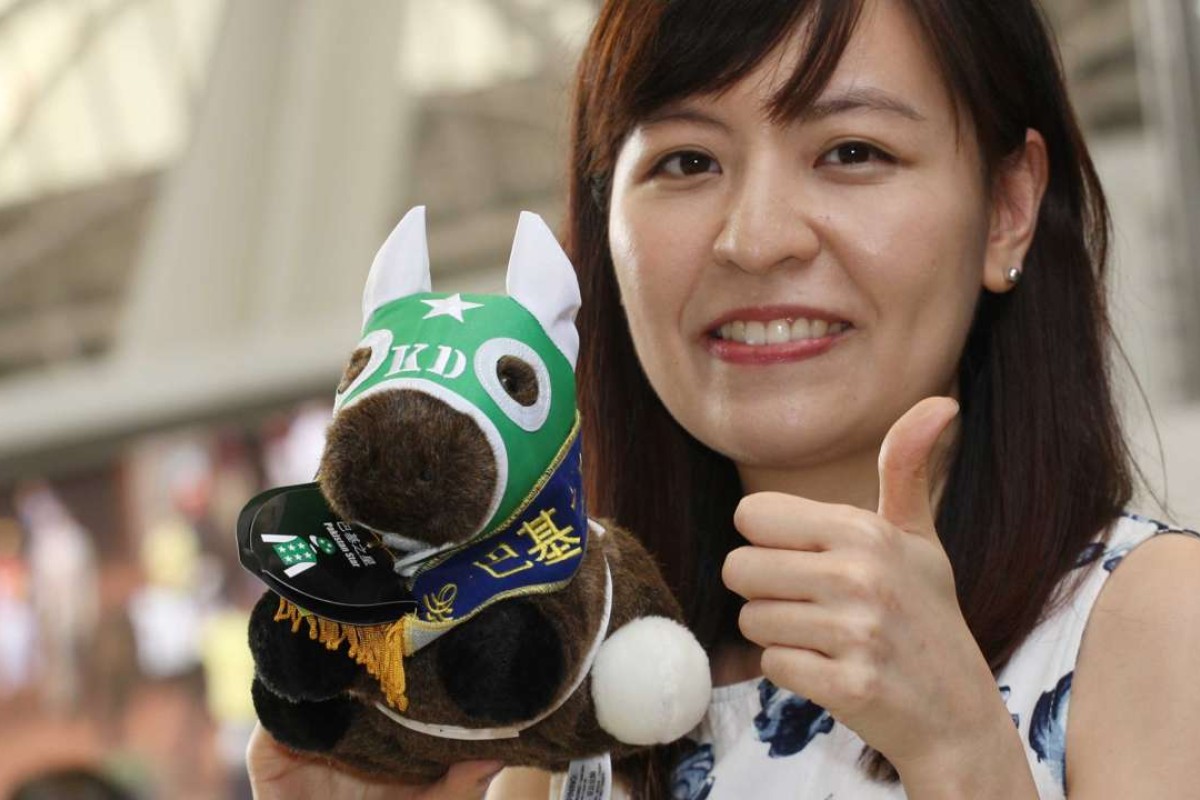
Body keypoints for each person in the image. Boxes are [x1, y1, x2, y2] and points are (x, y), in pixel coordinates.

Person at [247, 0, 1200, 797]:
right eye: (688, 162)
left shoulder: (1152, 625)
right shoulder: (559, 714)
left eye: (853, 151)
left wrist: (961, 758)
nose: (757, 238)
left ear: (1007, 208)